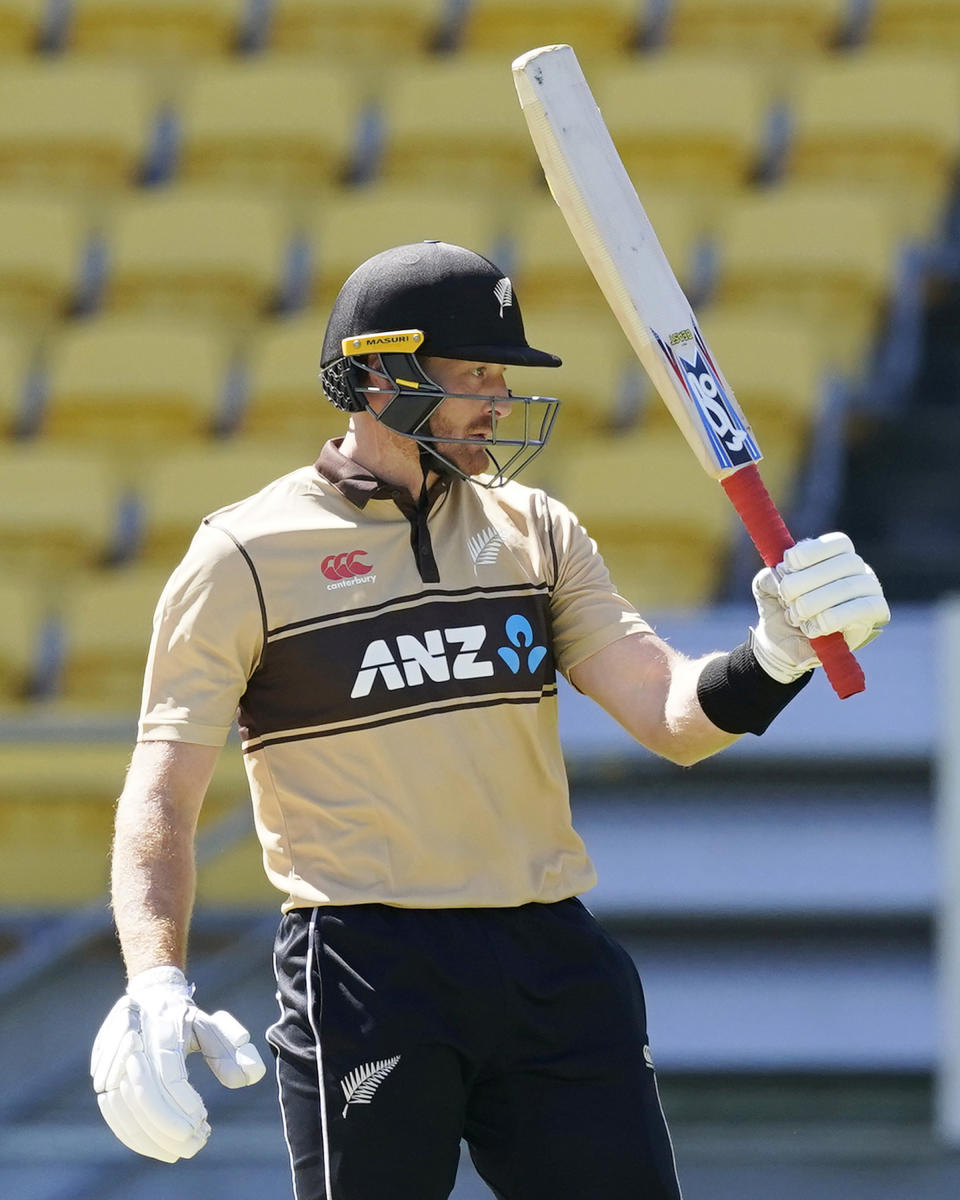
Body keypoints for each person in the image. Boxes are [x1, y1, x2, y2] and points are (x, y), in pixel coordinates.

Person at [91, 241, 889, 1199]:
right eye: (474, 374)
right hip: (367, 973)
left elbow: (671, 715)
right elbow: (161, 794)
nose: (499, 401)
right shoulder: (242, 557)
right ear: (381, 377)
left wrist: (775, 657)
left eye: (501, 376)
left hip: (548, 960)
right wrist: (154, 981)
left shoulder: (536, 530)